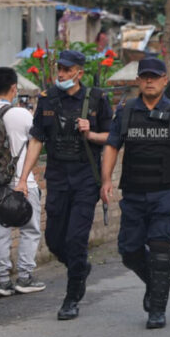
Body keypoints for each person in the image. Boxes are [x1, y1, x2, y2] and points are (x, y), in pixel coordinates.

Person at [100, 57, 170, 329]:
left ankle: (157, 309)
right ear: (138, 80)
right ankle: (154, 282)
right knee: (129, 251)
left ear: (165, 80)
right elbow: (112, 146)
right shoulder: (125, 112)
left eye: (155, 76)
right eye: (145, 76)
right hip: (134, 193)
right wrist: (106, 180)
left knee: (160, 249)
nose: (149, 81)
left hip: (165, 193)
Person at [16, 50, 113, 320]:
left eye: (67, 70)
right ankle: (79, 268)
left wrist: (90, 133)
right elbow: (37, 139)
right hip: (58, 179)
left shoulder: (97, 99)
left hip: (86, 179)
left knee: (75, 239)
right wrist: (23, 178)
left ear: (79, 73)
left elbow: (112, 137)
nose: (61, 74)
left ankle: (71, 298)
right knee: (54, 240)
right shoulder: (48, 98)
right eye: (59, 68)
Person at [0, 67, 45, 298]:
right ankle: (25, 278)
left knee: (0, 231)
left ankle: (3, 282)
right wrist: (23, 179)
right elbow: (37, 141)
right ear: (14, 88)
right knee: (29, 230)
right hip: (21, 183)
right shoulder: (21, 115)